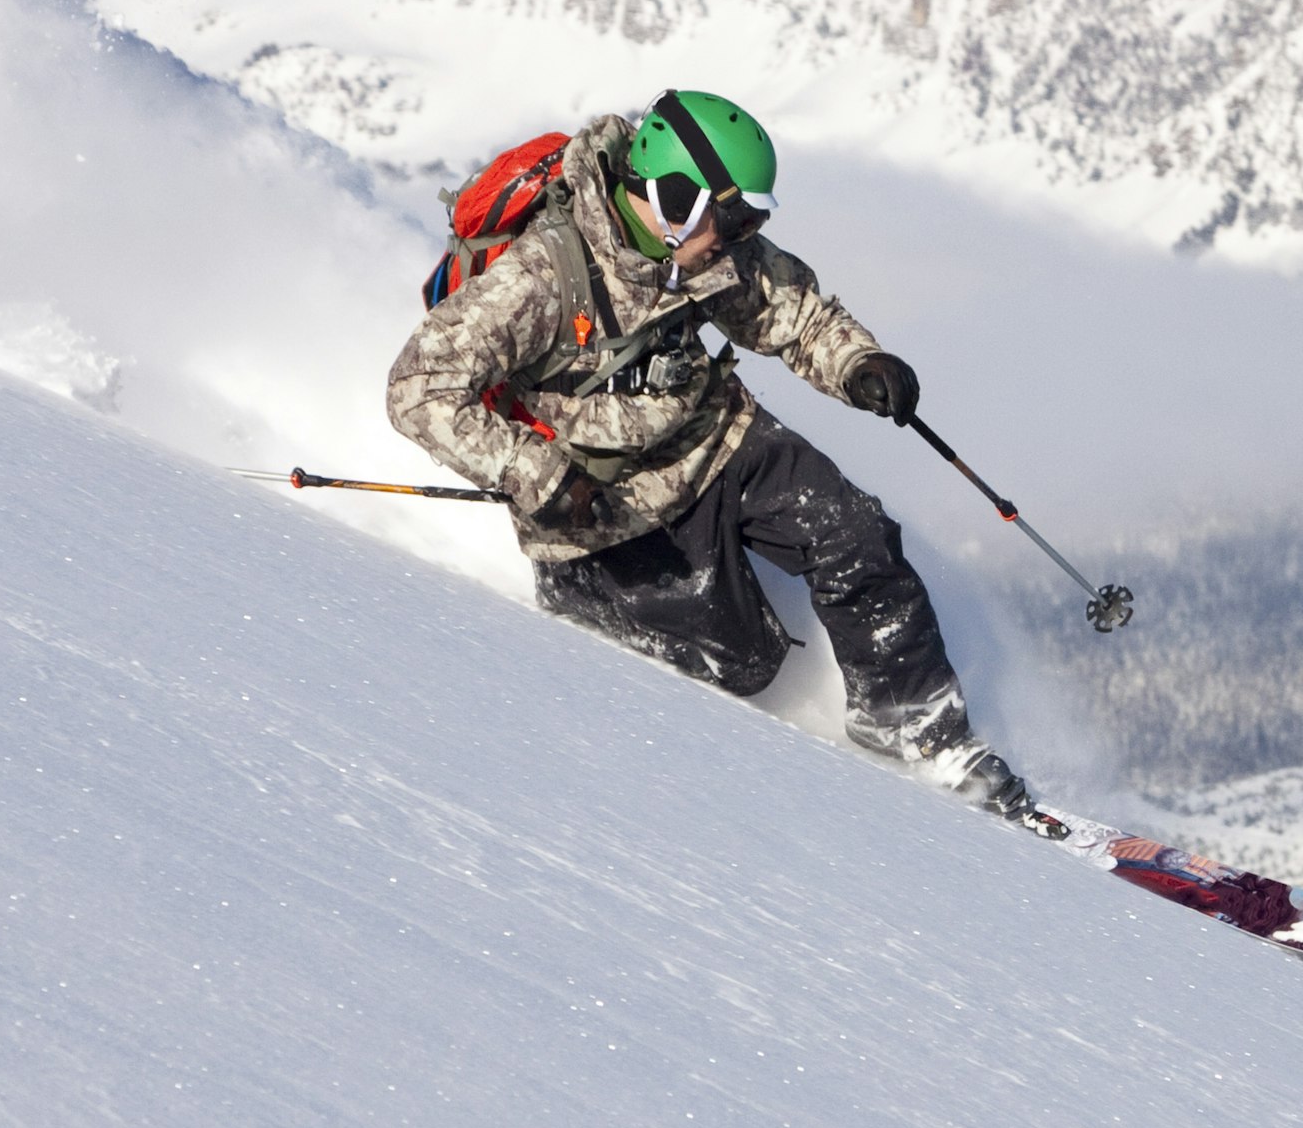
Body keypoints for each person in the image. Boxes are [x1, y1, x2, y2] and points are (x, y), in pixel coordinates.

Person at [386, 89, 1035, 820]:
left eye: (753, 219)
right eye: (734, 218)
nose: (741, 235)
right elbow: (419, 388)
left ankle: (922, 735)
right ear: (674, 199)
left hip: (714, 440)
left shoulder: (700, 248)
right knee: (741, 664)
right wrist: (537, 473)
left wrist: (859, 363)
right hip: (600, 508)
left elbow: (790, 312)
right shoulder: (540, 277)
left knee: (854, 533)